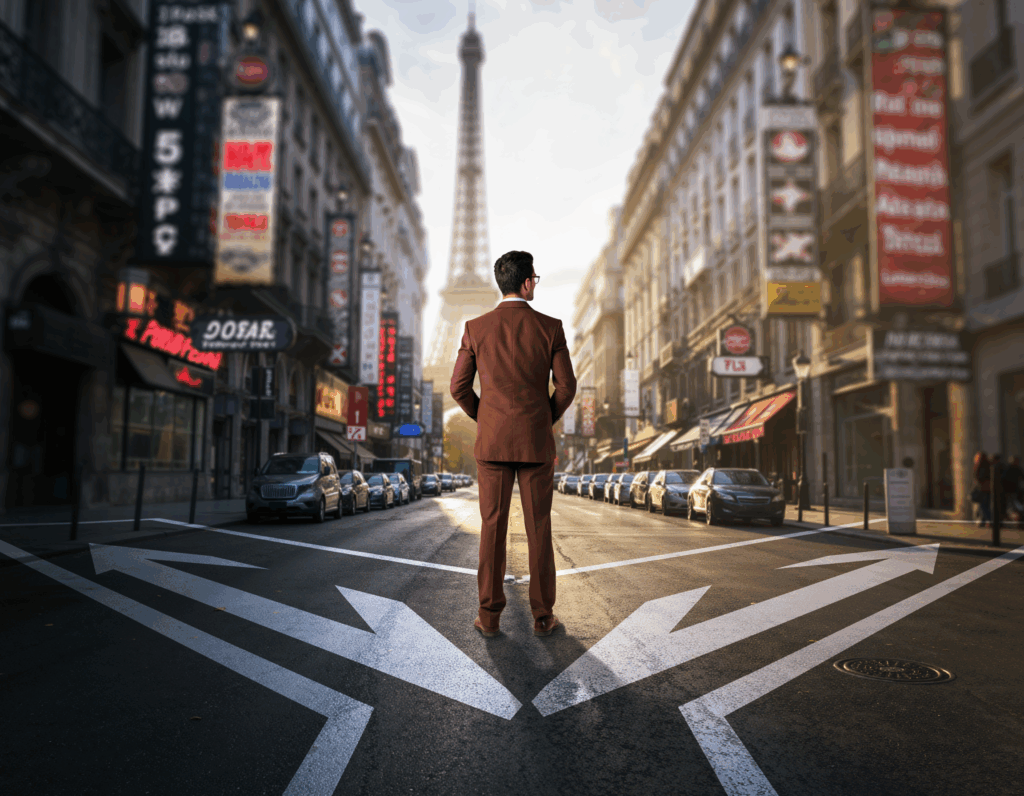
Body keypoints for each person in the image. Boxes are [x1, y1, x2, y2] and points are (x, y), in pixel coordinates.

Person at [450, 251, 576, 638]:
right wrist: (543, 418)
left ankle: (488, 617)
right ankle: (542, 616)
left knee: (492, 527)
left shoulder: (475, 327)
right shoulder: (550, 327)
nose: (535, 283)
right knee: (539, 527)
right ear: (525, 283)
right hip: (535, 443)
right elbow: (567, 387)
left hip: (492, 445)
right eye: (534, 279)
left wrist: (485, 418)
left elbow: (458, 388)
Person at [972, 451, 992, 528]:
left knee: (983, 506)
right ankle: (983, 521)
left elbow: (977, 478)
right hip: (988, 488)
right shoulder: (989, 465)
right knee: (985, 505)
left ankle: (987, 521)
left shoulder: (978, 466)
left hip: (982, 489)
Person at [1002, 455, 1023, 522]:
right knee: (1012, 507)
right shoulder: (1010, 469)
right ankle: (1014, 519)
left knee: (1012, 506)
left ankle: (1015, 519)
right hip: (1010, 491)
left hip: (1013, 491)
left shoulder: (1010, 469)